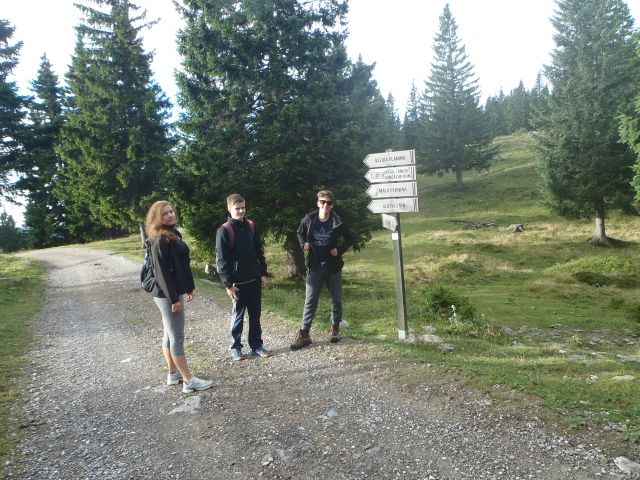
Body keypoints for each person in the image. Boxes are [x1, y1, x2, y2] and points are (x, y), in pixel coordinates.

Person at [145, 200, 212, 393]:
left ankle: (173, 374)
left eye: (171, 211)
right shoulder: (159, 239)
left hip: (172, 291)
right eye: (165, 213)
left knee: (169, 333)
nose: (170, 215)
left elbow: (181, 265)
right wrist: (174, 299)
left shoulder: (173, 234)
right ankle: (188, 381)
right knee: (177, 336)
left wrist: (188, 288)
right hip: (166, 294)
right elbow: (162, 274)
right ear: (157, 217)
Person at [290, 189, 353, 350]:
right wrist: (303, 243)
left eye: (329, 203)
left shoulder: (337, 222)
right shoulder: (309, 219)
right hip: (314, 266)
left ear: (332, 205)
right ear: (318, 203)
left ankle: (335, 330)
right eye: (323, 202)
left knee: (336, 299)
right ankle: (304, 335)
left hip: (333, 267)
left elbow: (350, 238)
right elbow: (299, 233)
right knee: (310, 301)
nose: (325, 205)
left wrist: (339, 250)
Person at [216, 194, 270, 361]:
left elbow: (259, 252)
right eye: (237, 208)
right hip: (237, 284)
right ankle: (235, 347)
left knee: (255, 315)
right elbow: (222, 260)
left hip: (254, 280)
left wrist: (262, 273)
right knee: (238, 316)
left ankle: (256, 345)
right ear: (229, 209)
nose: (241, 211)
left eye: (243, 208)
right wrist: (228, 284)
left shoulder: (251, 226)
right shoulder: (224, 230)